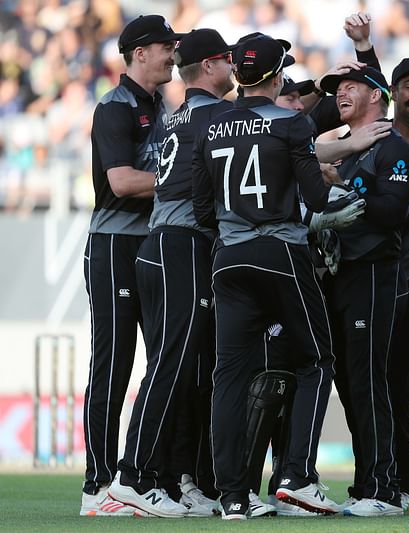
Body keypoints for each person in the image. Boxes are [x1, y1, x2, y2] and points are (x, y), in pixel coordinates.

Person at [192, 34, 341, 520]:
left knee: (230, 376)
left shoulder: (209, 122)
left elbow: (200, 206)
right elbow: (316, 200)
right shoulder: (292, 123)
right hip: (280, 252)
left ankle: (233, 495)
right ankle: (296, 476)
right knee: (316, 360)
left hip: (229, 259)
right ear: (277, 76)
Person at [108, 28, 237, 518]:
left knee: (180, 364)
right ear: (209, 66)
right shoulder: (218, 116)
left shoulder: (176, 116)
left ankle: (166, 478)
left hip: (160, 246)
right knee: (170, 362)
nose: (233, 70)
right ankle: (132, 476)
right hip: (180, 246)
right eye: (228, 60)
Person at [80, 14, 182, 518]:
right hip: (115, 245)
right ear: (139, 52)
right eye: (166, 46)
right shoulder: (114, 108)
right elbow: (121, 182)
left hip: (151, 243)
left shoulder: (162, 105)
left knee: (165, 358)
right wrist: (185, 177)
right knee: (114, 365)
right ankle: (97, 487)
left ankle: (144, 479)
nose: (173, 55)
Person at [316, 65, 409, 517]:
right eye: (338, 89)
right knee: (348, 379)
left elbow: (392, 213)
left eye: (351, 87)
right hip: (339, 272)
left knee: (367, 377)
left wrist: (342, 186)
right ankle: (367, 482)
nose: (341, 94)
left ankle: (383, 487)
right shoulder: (347, 147)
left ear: (377, 96)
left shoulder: (392, 147)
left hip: (372, 270)